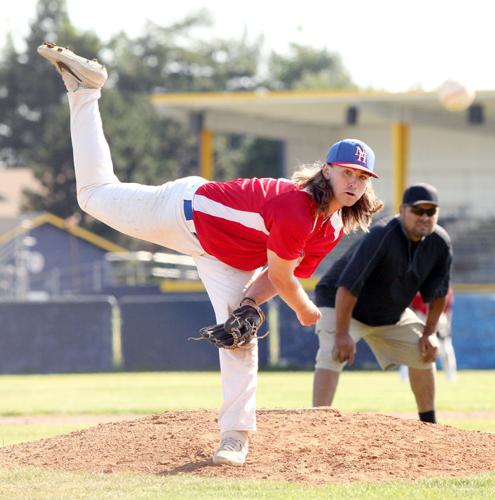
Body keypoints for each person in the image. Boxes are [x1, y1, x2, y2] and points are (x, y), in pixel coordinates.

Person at [37, 42, 384, 466]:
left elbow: (275, 277)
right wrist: (306, 310)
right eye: (347, 171)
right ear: (327, 170)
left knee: (241, 335)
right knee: (93, 195)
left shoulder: (330, 226)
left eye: (363, 177)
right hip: (183, 214)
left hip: (229, 260)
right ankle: (85, 92)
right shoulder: (297, 207)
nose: (355, 181)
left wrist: (251, 303)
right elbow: (284, 275)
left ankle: (235, 437)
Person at [312, 183, 452, 423]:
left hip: (389, 313)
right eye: (419, 211)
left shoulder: (439, 242)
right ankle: (317, 423)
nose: (425, 217)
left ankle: (430, 425)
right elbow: (347, 287)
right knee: (332, 353)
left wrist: (429, 333)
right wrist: (342, 334)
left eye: (431, 212)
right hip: (340, 303)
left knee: (423, 352)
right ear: (403, 209)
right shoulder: (383, 234)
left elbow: (439, 294)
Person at [404, 288, 457, 380]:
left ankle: (451, 377)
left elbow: (447, 310)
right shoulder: (417, 285)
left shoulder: (446, 290)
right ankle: (404, 377)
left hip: (438, 320)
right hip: (419, 318)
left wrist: (446, 325)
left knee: (446, 349)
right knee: (411, 348)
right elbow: (411, 305)